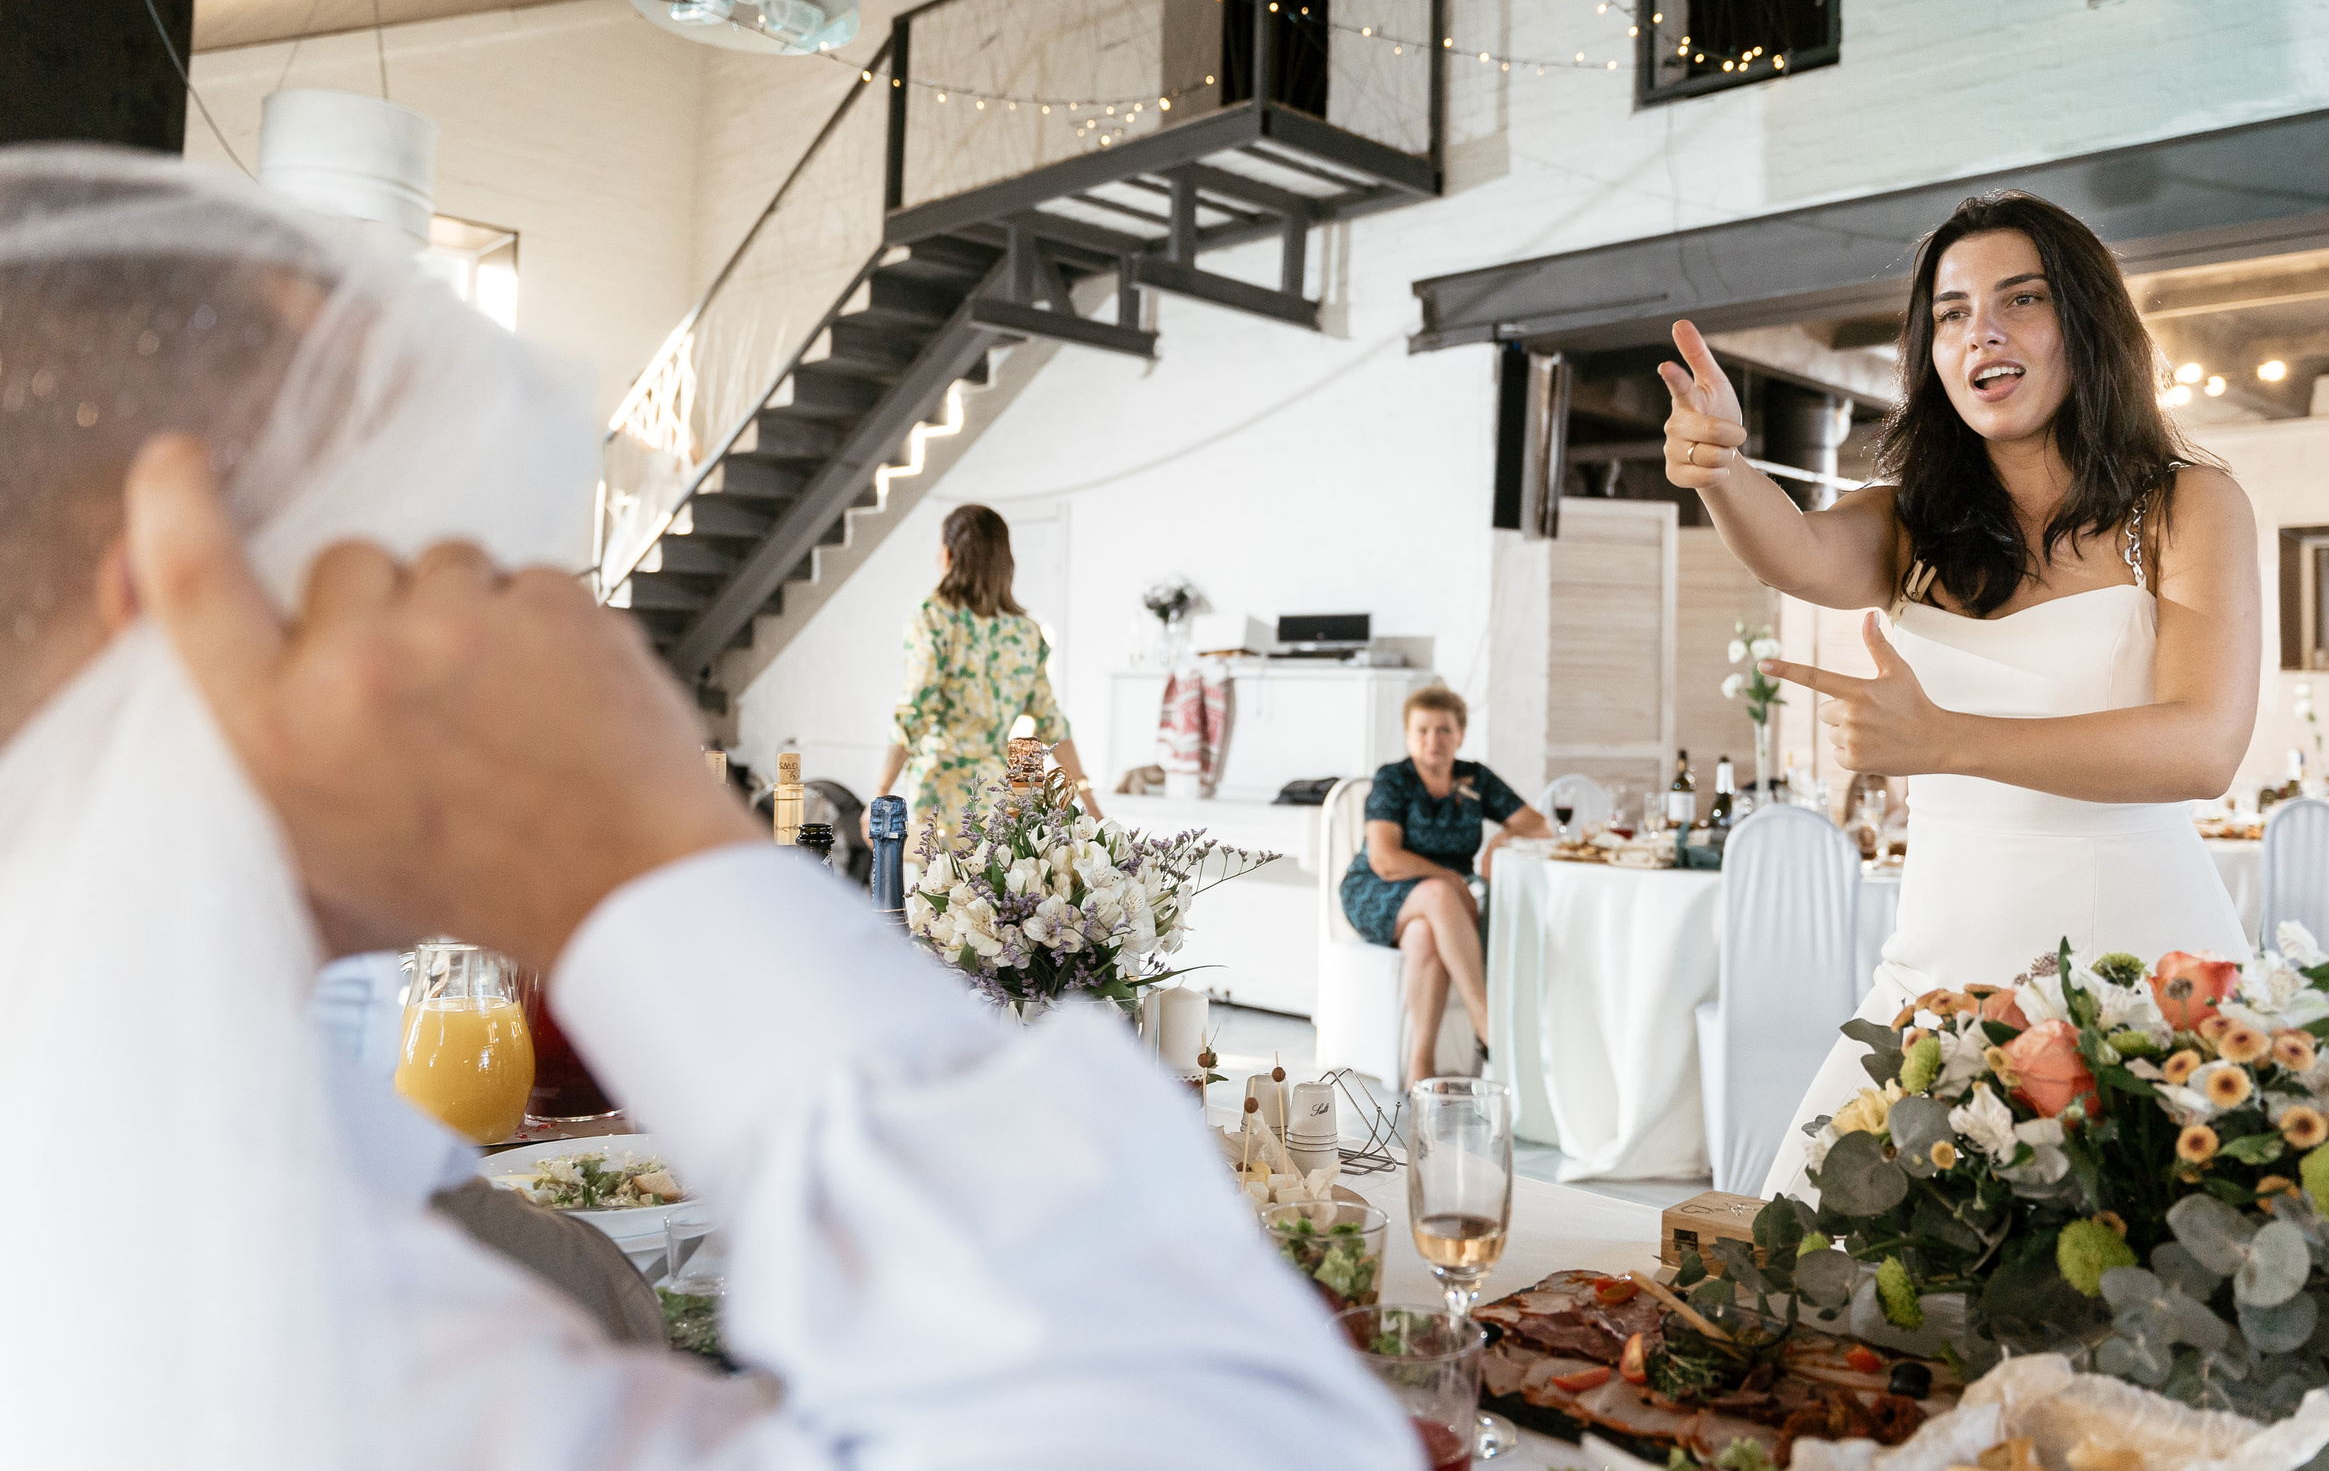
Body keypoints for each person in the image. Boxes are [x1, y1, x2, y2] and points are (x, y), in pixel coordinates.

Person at [0, 146, 1413, 1468]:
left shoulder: (201, 1180)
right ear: (187, 599)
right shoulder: (311, 1344)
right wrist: (642, 844)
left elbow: (934, 719)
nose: (514, 606)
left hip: (958, 806)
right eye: (422, 549)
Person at [1658, 190, 2259, 1202]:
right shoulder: (1912, 523)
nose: (1980, 329)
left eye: (2019, 300)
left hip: (2141, 967)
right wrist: (1721, 469)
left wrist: (1945, 739)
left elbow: (2201, 748)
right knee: (1811, 1256)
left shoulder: (2186, 505)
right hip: (1937, 967)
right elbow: (1796, 551)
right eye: (1949, 311)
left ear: (2086, 323)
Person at [1338, 687, 1548, 1087]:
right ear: (1407, 735)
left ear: (1461, 734)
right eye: (1422, 730)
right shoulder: (1393, 780)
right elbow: (1384, 859)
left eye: (1443, 730)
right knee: (1436, 895)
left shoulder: (1474, 778)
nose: (1432, 740)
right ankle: (1485, 1024)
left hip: (1441, 907)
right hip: (1378, 890)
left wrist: (1498, 843)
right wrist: (1452, 879)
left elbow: (1537, 824)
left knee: (1424, 935)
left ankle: (1421, 1067)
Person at [870, 504, 1099, 837]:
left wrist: (880, 793)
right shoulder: (1025, 631)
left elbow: (915, 709)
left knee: (938, 887)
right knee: (987, 886)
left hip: (939, 791)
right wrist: (1088, 800)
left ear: (948, 554)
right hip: (994, 794)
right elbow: (1052, 722)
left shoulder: (932, 617)